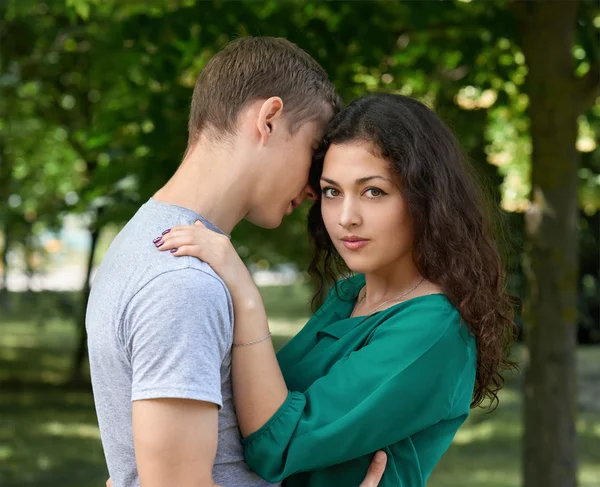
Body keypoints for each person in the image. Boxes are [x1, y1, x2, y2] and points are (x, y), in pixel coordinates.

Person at [156, 93, 520, 486]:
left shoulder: (433, 329)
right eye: (332, 191)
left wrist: (245, 295)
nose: (346, 217)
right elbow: (242, 408)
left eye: (373, 191)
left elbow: (277, 446)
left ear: (426, 199)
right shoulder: (351, 295)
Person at [88, 36, 385, 487]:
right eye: (314, 151)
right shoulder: (182, 281)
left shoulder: (142, 241)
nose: (313, 188)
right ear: (269, 119)